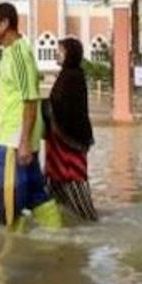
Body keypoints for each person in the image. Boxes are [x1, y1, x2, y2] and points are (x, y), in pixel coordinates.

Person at [0, 2, 62, 229]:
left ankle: (9, 247)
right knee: (35, 194)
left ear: (5, 23)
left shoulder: (19, 53)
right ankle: (58, 237)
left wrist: (24, 142)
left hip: (14, 141)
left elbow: (30, 99)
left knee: (9, 203)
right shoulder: (10, 52)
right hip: (19, 139)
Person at [41, 37, 99, 222]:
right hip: (60, 145)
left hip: (69, 144)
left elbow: (66, 108)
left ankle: (89, 222)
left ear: (70, 54)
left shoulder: (73, 77)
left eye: (61, 51)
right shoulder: (67, 75)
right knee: (55, 188)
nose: (56, 53)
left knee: (74, 183)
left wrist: (43, 107)